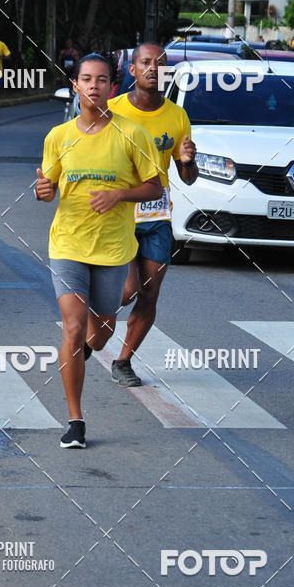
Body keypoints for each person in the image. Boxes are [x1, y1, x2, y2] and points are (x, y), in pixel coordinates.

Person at [36, 53, 162, 448]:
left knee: (102, 332)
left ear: (112, 86)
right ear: (75, 85)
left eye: (102, 79)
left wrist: (119, 194)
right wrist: (43, 191)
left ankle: (88, 349)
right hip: (68, 244)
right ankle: (75, 421)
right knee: (73, 328)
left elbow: (155, 187)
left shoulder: (132, 134)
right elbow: (48, 188)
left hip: (113, 249)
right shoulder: (58, 137)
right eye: (87, 79)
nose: (94, 85)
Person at [107, 42, 198, 386]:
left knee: (150, 292)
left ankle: (123, 361)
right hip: (119, 215)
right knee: (127, 291)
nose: (153, 68)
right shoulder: (112, 110)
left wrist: (188, 161)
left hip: (157, 217)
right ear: (132, 69)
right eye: (145, 62)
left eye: (160, 63)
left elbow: (188, 177)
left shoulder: (177, 116)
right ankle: (89, 320)